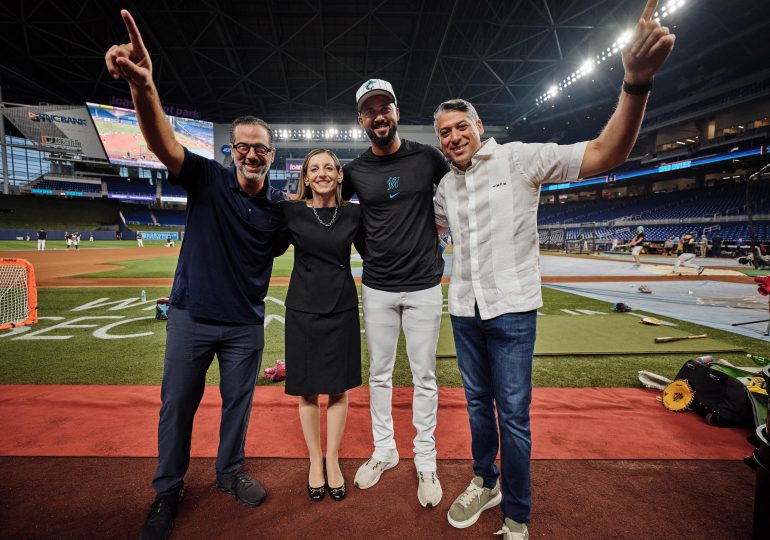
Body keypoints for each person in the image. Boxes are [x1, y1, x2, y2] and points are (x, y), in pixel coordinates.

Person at [432, 2, 675, 537]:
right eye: (443, 132)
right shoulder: (445, 188)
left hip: (514, 312)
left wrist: (635, 84)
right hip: (465, 313)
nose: (452, 137)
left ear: (477, 126)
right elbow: (426, 236)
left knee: (513, 417)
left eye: (459, 127)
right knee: (477, 408)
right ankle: (484, 480)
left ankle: (516, 515)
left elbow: (606, 153)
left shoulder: (521, 158)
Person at [105, 10, 285, 539]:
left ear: (272, 156)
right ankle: (167, 489)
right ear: (231, 151)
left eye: (261, 148)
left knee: (238, 404)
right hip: (191, 317)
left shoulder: (277, 213)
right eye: (243, 146)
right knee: (177, 404)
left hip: (245, 325)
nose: (252, 154)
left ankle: (229, 473)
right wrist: (145, 87)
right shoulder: (206, 178)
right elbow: (162, 141)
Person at [342, 78, 449, 508]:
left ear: (397, 113)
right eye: (370, 110)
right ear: (361, 120)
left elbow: (462, 187)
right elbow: (328, 209)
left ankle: (426, 459)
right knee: (380, 374)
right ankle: (385, 450)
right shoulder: (354, 171)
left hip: (424, 284)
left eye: (385, 107)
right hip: (378, 286)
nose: (379, 116)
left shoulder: (428, 158)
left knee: (424, 376)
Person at [275, 149, 366, 503]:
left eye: (329, 167)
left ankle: (333, 459)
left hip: (342, 307)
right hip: (303, 309)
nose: (322, 173)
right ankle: (315, 460)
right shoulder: (291, 212)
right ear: (306, 177)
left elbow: (375, 251)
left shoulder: (354, 213)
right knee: (308, 390)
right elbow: (267, 247)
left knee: (339, 389)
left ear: (340, 175)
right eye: (315, 168)